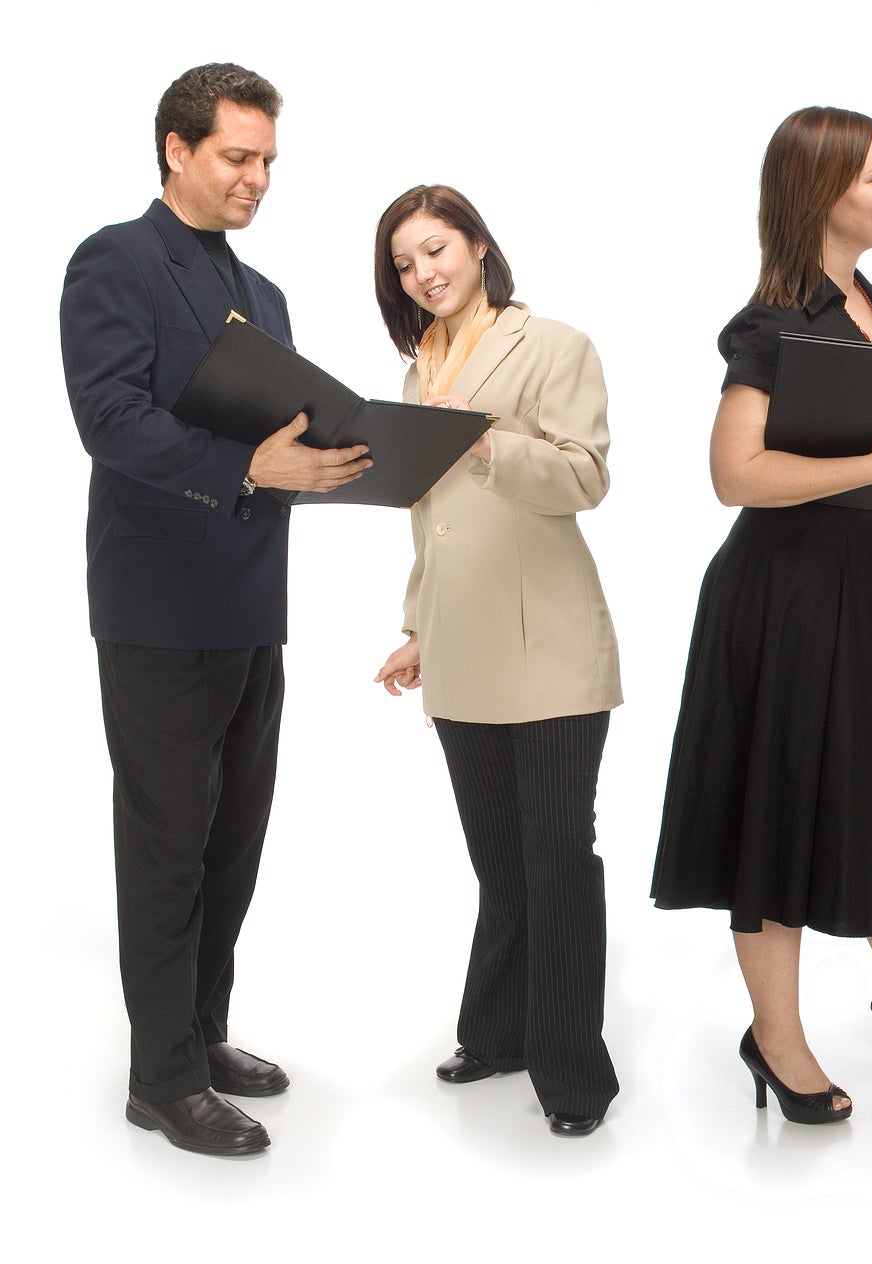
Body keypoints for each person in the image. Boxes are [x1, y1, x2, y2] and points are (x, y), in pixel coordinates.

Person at [651, 107, 872, 1125]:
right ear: (822, 191)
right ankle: (777, 1038)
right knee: (780, 811)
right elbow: (733, 473)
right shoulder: (773, 320)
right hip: (785, 597)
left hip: (867, 583)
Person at [59, 63, 371, 1157]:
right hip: (157, 602)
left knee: (234, 834)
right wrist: (251, 465)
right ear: (175, 150)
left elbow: (276, 442)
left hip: (250, 600)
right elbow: (110, 419)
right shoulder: (116, 261)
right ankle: (161, 1077)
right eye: (238, 157)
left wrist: (343, 456)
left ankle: (200, 1028)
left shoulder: (265, 294)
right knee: (167, 843)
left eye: (268, 162)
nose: (257, 179)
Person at [372, 185, 622, 1139]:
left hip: (550, 645)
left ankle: (573, 1074)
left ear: (478, 247)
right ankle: (500, 1031)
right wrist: (417, 627)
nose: (424, 273)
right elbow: (427, 522)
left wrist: (480, 438)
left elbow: (586, 478)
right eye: (404, 263)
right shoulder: (416, 373)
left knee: (557, 856)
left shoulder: (552, 345)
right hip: (464, 647)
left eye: (437, 249)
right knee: (500, 862)